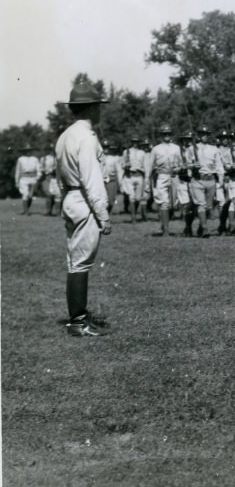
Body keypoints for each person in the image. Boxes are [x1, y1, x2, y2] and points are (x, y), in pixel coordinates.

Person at [55, 83, 112, 337]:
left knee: (75, 261)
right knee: (80, 263)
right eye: (98, 105)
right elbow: (92, 180)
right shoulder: (86, 138)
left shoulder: (65, 135)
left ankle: (79, 315)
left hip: (70, 196)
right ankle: (78, 322)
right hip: (84, 199)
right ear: (90, 107)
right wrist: (103, 215)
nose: (100, 110)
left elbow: (59, 175)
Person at [145, 123, 183, 236]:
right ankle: (166, 230)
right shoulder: (156, 149)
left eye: (168, 133)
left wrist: (178, 169)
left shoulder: (176, 148)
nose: (167, 135)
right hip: (161, 176)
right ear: (161, 135)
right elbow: (150, 166)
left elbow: (181, 163)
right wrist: (147, 181)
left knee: (173, 203)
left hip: (174, 176)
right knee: (164, 202)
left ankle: (164, 225)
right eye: (164, 134)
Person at [121, 135, 148, 223]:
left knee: (138, 198)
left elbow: (145, 165)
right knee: (131, 197)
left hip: (139, 175)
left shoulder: (142, 153)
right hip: (129, 175)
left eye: (136, 142)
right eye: (133, 142)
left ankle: (135, 212)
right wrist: (126, 166)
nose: (135, 144)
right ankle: (133, 218)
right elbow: (122, 164)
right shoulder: (126, 152)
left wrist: (145, 175)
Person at [14, 145, 41, 215]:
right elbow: (18, 170)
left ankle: (27, 209)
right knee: (25, 194)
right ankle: (26, 211)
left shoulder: (35, 159)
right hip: (24, 178)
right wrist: (17, 181)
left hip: (33, 178)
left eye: (29, 150)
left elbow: (39, 169)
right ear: (24, 151)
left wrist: (38, 177)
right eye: (26, 150)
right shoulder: (20, 159)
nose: (28, 152)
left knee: (30, 196)